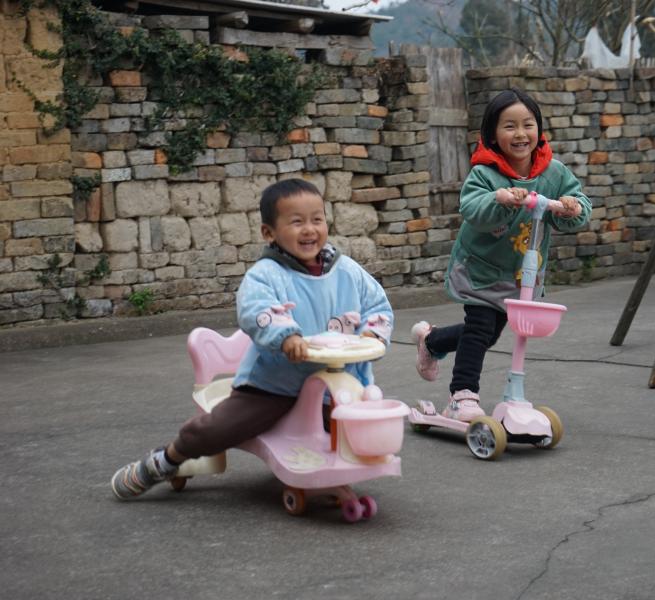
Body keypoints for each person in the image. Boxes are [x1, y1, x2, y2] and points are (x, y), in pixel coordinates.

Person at [111, 178, 393, 499]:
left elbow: (377, 305)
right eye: (297, 222)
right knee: (221, 428)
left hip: (335, 381)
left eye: (317, 219)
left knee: (360, 421)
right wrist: (286, 336)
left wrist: (372, 333)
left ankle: (329, 472)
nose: (309, 230)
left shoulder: (347, 271)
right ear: (269, 232)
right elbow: (255, 309)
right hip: (275, 384)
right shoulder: (266, 275)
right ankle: (167, 459)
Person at [411, 88, 592, 422]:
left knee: (488, 334)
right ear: (493, 134)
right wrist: (499, 199)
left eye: (527, 124)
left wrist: (573, 207)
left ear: (539, 129)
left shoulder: (554, 172)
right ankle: (462, 395)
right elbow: (471, 208)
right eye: (509, 126)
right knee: (480, 328)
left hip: (519, 274)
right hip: (481, 268)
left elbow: (579, 203)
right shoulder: (485, 172)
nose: (520, 134)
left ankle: (433, 340)